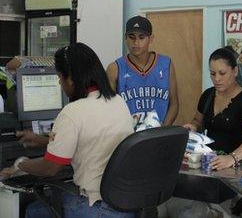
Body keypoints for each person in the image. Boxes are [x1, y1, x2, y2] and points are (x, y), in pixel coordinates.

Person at [0, 43, 134, 217]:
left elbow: (51, 168)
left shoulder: (73, 112)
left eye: (59, 77)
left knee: (32, 211)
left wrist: (20, 164)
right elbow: (95, 137)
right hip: (124, 204)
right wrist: (43, 140)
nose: (59, 82)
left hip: (95, 207)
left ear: (70, 78)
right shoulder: (118, 101)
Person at [183, 48, 242, 170]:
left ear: (235, 71)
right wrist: (193, 127)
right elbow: (197, 121)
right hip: (211, 163)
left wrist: (232, 158)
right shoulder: (207, 95)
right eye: (213, 74)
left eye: (222, 73)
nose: (217, 79)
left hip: (240, 167)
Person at [107, 15, 178, 129]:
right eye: (132, 37)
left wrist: (162, 129)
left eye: (141, 37)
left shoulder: (166, 64)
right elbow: (109, 108)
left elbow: (174, 103)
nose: (136, 42)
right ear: (125, 38)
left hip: (160, 133)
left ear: (151, 39)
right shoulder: (114, 68)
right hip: (129, 136)